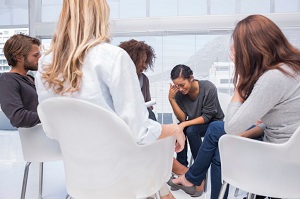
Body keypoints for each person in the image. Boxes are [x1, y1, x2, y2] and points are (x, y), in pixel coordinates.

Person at [34, 1, 185, 199]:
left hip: (79, 179)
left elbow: (51, 131)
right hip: (121, 178)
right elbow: (139, 131)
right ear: (100, 16)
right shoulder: (112, 57)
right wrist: (173, 130)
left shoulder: (45, 65)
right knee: (152, 170)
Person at [168, 14, 300, 199]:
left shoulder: (274, 77)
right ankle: (194, 179)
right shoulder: (291, 69)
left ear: (251, 49)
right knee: (217, 146)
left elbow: (231, 126)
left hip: (278, 156)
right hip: (288, 153)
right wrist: (244, 134)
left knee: (215, 131)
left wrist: (241, 79)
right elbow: (280, 124)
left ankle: (193, 178)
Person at [169, 64, 224, 169]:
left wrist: (185, 124)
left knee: (191, 130)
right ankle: (182, 167)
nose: (180, 89)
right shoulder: (179, 94)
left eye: (182, 84)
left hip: (214, 123)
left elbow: (207, 117)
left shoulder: (208, 88)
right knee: (179, 128)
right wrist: (171, 99)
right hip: (196, 123)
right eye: (177, 86)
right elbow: (182, 118)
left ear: (191, 78)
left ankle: (198, 169)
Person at [0, 34, 41, 128]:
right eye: (35, 55)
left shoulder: (30, 78)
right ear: (19, 57)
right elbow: (18, 118)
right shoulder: (7, 81)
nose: (40, 58)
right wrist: (50, 117)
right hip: (36, 138)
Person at [119, 39, 157, 121]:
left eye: (146, 62)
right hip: (122, 117)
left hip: (141, 116)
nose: (145, 66)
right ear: (132, 60)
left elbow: (148, 103)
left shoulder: (144, 79)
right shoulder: (117, 78)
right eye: (142, 61)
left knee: (149, 114)